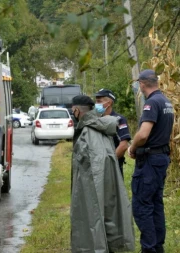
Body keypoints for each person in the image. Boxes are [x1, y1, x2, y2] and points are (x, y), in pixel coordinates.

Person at [71, 95, 135, 253]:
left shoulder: (86, 132)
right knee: (109, 215)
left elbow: (88, 168)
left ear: (77, 111)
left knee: (92, 217)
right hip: (109, 183)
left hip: (93, 184)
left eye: (73, 110)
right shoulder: (103, 127)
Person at [128, 69, 174, 253]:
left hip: (149, 161)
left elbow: (144, 133)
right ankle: (157, 246)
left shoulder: (151, 103)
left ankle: (149, 248)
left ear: (142, 84)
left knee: (142, 206)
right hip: (161, 158)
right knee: (155, 204)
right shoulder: (165, 101)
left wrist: (133, 147)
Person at [95, 89, 131, 178]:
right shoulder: (96, 120)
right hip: (98, 166)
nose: (96, 104)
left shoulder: (119, 119)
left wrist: (110, 162)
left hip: (114, 166)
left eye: (99, 101)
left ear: (109, 102)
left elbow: (123, 145)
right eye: (96, 101)